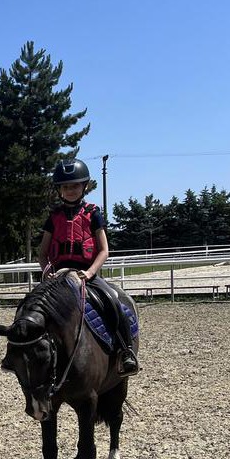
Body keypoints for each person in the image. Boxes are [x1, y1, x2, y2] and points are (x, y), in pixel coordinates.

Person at [39, 157, 139, 375]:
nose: (70, 190)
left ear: (84, 187)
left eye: (74, 186)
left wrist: (90, 272)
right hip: (58, 277)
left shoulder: (93, 214)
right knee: (33, 307)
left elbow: (104, 250)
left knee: (113, 301)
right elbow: (43, 253)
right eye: (66, 187)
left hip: (86, 273)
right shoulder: (53, 217)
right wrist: (47, 272)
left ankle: (126, 351)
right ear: (59, 189)